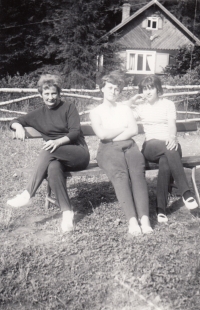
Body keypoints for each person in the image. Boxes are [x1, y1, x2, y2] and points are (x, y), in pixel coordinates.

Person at [7, 74, 90, 233]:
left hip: (78, 153)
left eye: (54, 93)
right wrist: (17, 126)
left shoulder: (69, 107)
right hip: (55, 157)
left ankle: (28, 193)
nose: (51, 97)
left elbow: (74, 132)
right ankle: (67, 213)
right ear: (40, 95)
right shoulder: (38, 114)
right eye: (47, 94)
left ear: (59, 94)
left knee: (48, 149)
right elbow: (15, 120)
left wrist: (57, 142)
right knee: (52, 168)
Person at [126, 75, 198, 223]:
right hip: (150, 147)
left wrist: (172, 136)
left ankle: (161, 210)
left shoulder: (168, 104)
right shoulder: (140, 107)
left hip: (169, 145)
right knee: (168, 149)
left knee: (166, 160)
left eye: (150, 87)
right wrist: (131, 101)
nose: (148, 92)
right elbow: (121, 113)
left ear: (157, 88)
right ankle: (186, 192)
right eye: (144, 89)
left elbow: (172, 124)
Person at [90, 71, 152, 236]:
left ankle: (144, 219)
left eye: (117, 89)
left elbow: (134, 130)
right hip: (107, 149)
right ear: (102, 88)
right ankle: (132, 220)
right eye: (110, 87)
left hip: (129, 146)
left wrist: (115, 133)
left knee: (137, 173)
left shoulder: (124, 109)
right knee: (120, 175)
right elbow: (102, 135)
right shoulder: (96, 112)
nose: (113, 91)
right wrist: (122, 129)